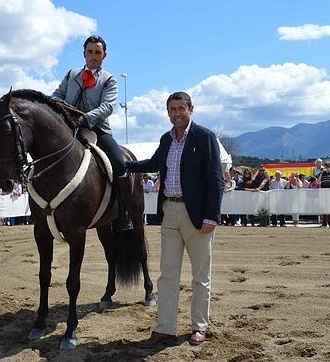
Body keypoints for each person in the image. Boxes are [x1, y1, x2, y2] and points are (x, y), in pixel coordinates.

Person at [127, 92, 224, 348]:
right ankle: (165, 329)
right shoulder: (165, 139)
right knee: (167, 275)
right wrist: (126, 165)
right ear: (167, 112)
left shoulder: (205, 137)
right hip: (169, 211)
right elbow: (154, 163)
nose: (177, 113)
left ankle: (198, 327)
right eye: (172, 109)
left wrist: (212, 216)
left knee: (200, 276)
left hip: (198, 217)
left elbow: (216, 180)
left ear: (191, 109)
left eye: (182, 108)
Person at [51, 35, 132, 231]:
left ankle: (124, 212)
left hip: (97, 128)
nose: (93, 56)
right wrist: (55, 104)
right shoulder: (71, 74)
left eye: (97, 52)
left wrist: (86, 118)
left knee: (119, 163)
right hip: (69, 127)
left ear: (104, 55)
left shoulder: (109, 79)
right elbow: (57, 95)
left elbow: (107, 106)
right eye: (90, 52)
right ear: (84, 53)